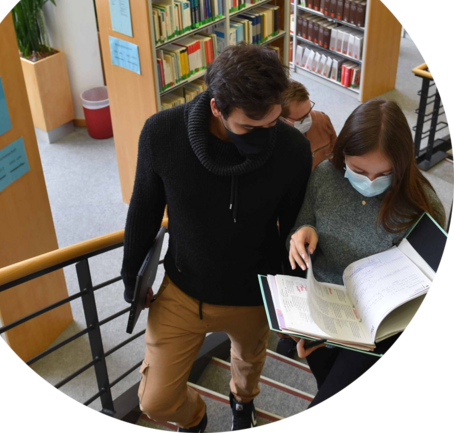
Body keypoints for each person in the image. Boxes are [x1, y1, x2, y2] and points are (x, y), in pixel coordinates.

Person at [121, 43, 312, 432]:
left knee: (249, 363)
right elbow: (143, 210)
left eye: (271, 124)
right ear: (216, 108)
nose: (262, 137)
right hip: (182, 289)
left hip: (254, 292)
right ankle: (195, 417)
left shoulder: (293, 149)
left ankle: (243, 404)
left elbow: (293, 224)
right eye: (247, 127)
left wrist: (292, 301)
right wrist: (131, 279)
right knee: (155, 400)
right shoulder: (161, 134)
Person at [284, 99, 446, 409]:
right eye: (358, 170)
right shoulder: (325, 175)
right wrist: (302, 233)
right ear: (342, 151)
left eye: (384, 174)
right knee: (325, 381)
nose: (369, 183)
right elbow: (302, 224)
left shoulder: (421, 205)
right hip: (325, 315)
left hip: (379, 333)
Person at [276, 80, 338, 357]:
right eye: (298, 119)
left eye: (308, 113)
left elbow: (338, 160)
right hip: (286, 218)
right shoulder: (274, 139)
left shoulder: (322, 122)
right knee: (289, 271)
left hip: (321, 213)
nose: (306, 121)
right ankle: (289, 334)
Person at [280, 80, 337, 170]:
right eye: (302, 118)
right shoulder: (273, 142)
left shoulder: (322, 120)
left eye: (309, 110)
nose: (309, 118)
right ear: (282, 118)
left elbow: (336, 154)